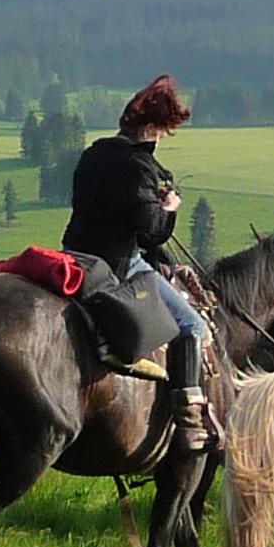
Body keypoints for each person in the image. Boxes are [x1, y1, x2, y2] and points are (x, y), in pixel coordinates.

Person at [63, 74, 217, 447]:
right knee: (192, 324)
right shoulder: (139, 166)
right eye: (163, 131)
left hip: (75, 252)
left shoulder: (94, 152)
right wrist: (170, 208)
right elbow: (152, 232)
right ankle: (188, 413)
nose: (161, 138)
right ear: (150, 127)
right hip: (118, 262)